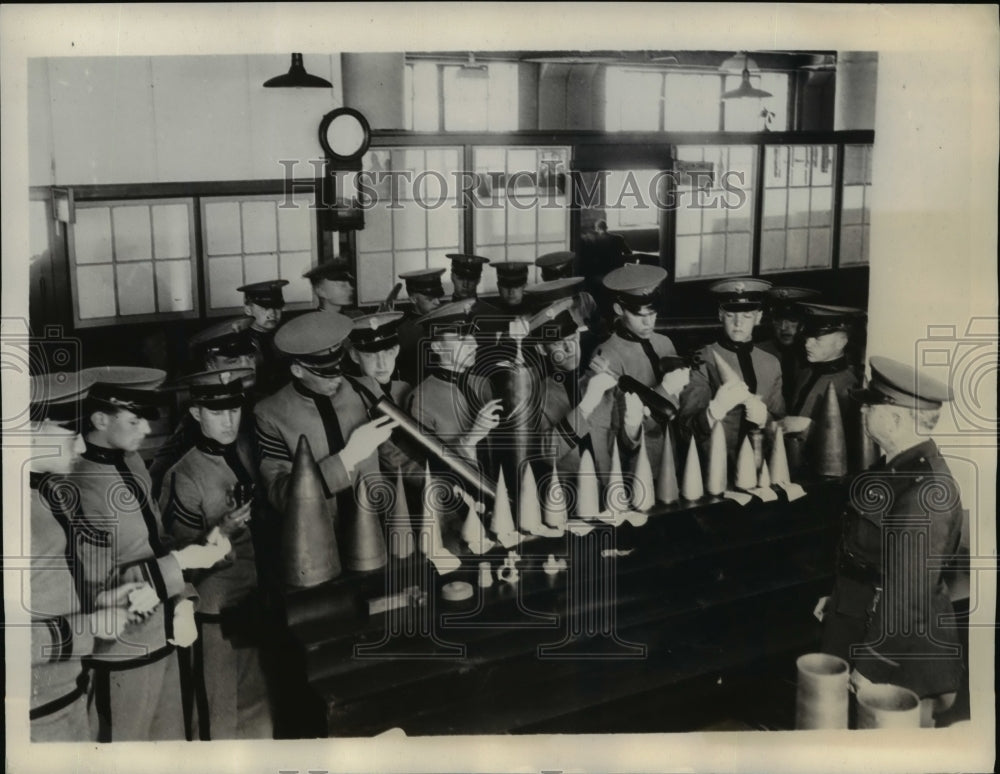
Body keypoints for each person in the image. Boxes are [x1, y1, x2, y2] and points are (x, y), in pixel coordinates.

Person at [72, 372, 232, 741]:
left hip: (164, 635)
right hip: (120, 650)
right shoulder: (75, 485)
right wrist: (182, 567)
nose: (145, 430)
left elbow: (158, 542)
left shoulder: (133, 463)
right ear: (99, 420)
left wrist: (182, 599)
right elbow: (95, 586)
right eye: (134, 420)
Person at [816, 356, 965, 727]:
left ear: (896, 419)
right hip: (863, 623)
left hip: (898, 660)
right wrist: (841, 599)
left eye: (871, 405)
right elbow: (871, 554)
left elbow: (909, 592)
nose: (863, 410)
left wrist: (873, 665)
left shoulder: (926, 490)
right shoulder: (893, 471)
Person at [27, 370, 159, 742]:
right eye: (72, 432)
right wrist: (91, 627)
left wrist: (100, 602)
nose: (83, 447)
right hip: (35, 713)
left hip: (67, 694)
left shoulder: (42, 497)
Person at [158, 369, 273, 740]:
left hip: (257, 600)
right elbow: (178, 561)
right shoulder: (183, 475)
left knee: (259, 708)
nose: (229, 420)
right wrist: (220, 532)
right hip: (215, 614)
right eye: (217, 411)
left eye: (234, 410)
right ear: (196, 414)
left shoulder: (246, 453)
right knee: (219, 714)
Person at [253, 311, 398, 535]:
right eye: (325, 372)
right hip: (317, 540)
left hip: (375, 527)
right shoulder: (270, 414)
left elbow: (394, 454)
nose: (337, 378)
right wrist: (347, 457)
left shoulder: (365, 387)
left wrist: (444, 480)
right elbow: (281, 496)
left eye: (338, 367)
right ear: (297, 370)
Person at [586, 264, 688, 480]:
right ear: (618, 309)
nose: (648, 322)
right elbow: (605, 430)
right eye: (639, 314)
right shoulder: (606, 356)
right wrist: (664, 390)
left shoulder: (665, 343)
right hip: (634, 470)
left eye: (652, 313)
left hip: (674, 462)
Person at [678, 277, 785, 469]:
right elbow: (686, 430)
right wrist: (713, 411)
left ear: (759, 317)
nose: (738, 324)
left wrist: (766, 419)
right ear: (720, 314)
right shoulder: (702, 358)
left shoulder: (771, 363)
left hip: (762, 467)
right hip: (715, 469)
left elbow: (780, 423)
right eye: (730, 315)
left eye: (746, 316)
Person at [150, 321, 261, 500]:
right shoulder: (197, 420)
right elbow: (160, 479)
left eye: (249, 357)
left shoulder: (260, 403)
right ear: (210, 365)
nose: (246, 366)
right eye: (233, 360)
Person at [527, 295, 618, 479]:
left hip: (611, 492)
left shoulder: (598, 382)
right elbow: (547, 454)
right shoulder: (537, 395)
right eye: (558, 343)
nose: (570, 349)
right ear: (542, 349)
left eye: (572, 338)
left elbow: (624, 443)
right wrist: (585, 407)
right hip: (568, 498)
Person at [406, 300, 502, 466]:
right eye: (461, 338)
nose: (474, 344)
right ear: (437, 347)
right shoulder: (420, 399)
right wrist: (471, 438)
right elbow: (428, 466)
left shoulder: (485, 384)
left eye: (472, 336)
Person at [342, 311, 423, 479]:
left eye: (387, 352)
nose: (382, 363)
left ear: (396, 350)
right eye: (370, 355)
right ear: (354, 356)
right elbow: (390, 456)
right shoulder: (351, 398)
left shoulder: (404, 388)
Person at [759, 286, 819, 407]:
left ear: (804, 322)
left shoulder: (816, 355)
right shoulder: (759, 353)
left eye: (792, 319)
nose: (783, 327)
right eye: (778, 319)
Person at [237, 279, 289, 394]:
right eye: (265, 308)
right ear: (248, 310)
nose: (272, 314)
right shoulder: (240, 342)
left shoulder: (286, 337)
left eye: (277, 307)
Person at [396, 268, 446, 386]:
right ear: (413, 299)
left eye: (438, 297)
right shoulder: (402, 329)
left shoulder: (446, 321)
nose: (437, 302)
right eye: (430, 299)